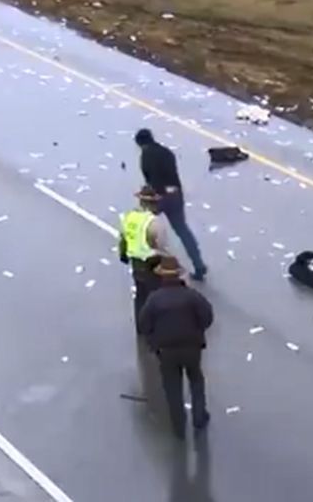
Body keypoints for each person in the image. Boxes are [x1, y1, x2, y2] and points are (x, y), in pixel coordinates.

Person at [138, 256, 215, 439]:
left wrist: (153, 339)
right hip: (192, 346)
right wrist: (197, 330)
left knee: (172, 385)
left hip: (166, 350)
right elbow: (207, 316)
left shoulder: (154, 299)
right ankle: (199, 416)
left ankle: (178, 423)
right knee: (196, 379)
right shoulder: (192, 296)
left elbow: (144, 323)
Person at [135, 128, 208, 280]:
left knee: (144, 226)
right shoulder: (167, 152)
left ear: (141, 144)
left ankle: (148, 263)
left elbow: (149, 178)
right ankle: (198, 264)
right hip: (175, 194)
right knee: (182, 229)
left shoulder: (146, 155)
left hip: (158, 197)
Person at [119, 186, 171, 325]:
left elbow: (123, 238)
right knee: (155, 297)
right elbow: (161, 245)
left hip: (136, 263)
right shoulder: (153, 222)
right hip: (152, 263)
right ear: (153, 203)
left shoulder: (130, 217)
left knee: (140, 296)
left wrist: (123, 254)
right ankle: (155, 326)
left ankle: (140, 325)